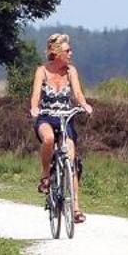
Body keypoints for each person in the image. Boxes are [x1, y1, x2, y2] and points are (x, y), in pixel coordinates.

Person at [28, 33, 94, 222]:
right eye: (67, 50)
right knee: (48, 139)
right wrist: (34, 108)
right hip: (46, 117)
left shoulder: (71, 71)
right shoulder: (42, 71)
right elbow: (35, 96)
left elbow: (78, 93)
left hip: (65, 119)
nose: (70, 53)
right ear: (56, 53)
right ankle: (45, 175)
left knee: (71, 160)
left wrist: (84, 105)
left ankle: (75, 209)